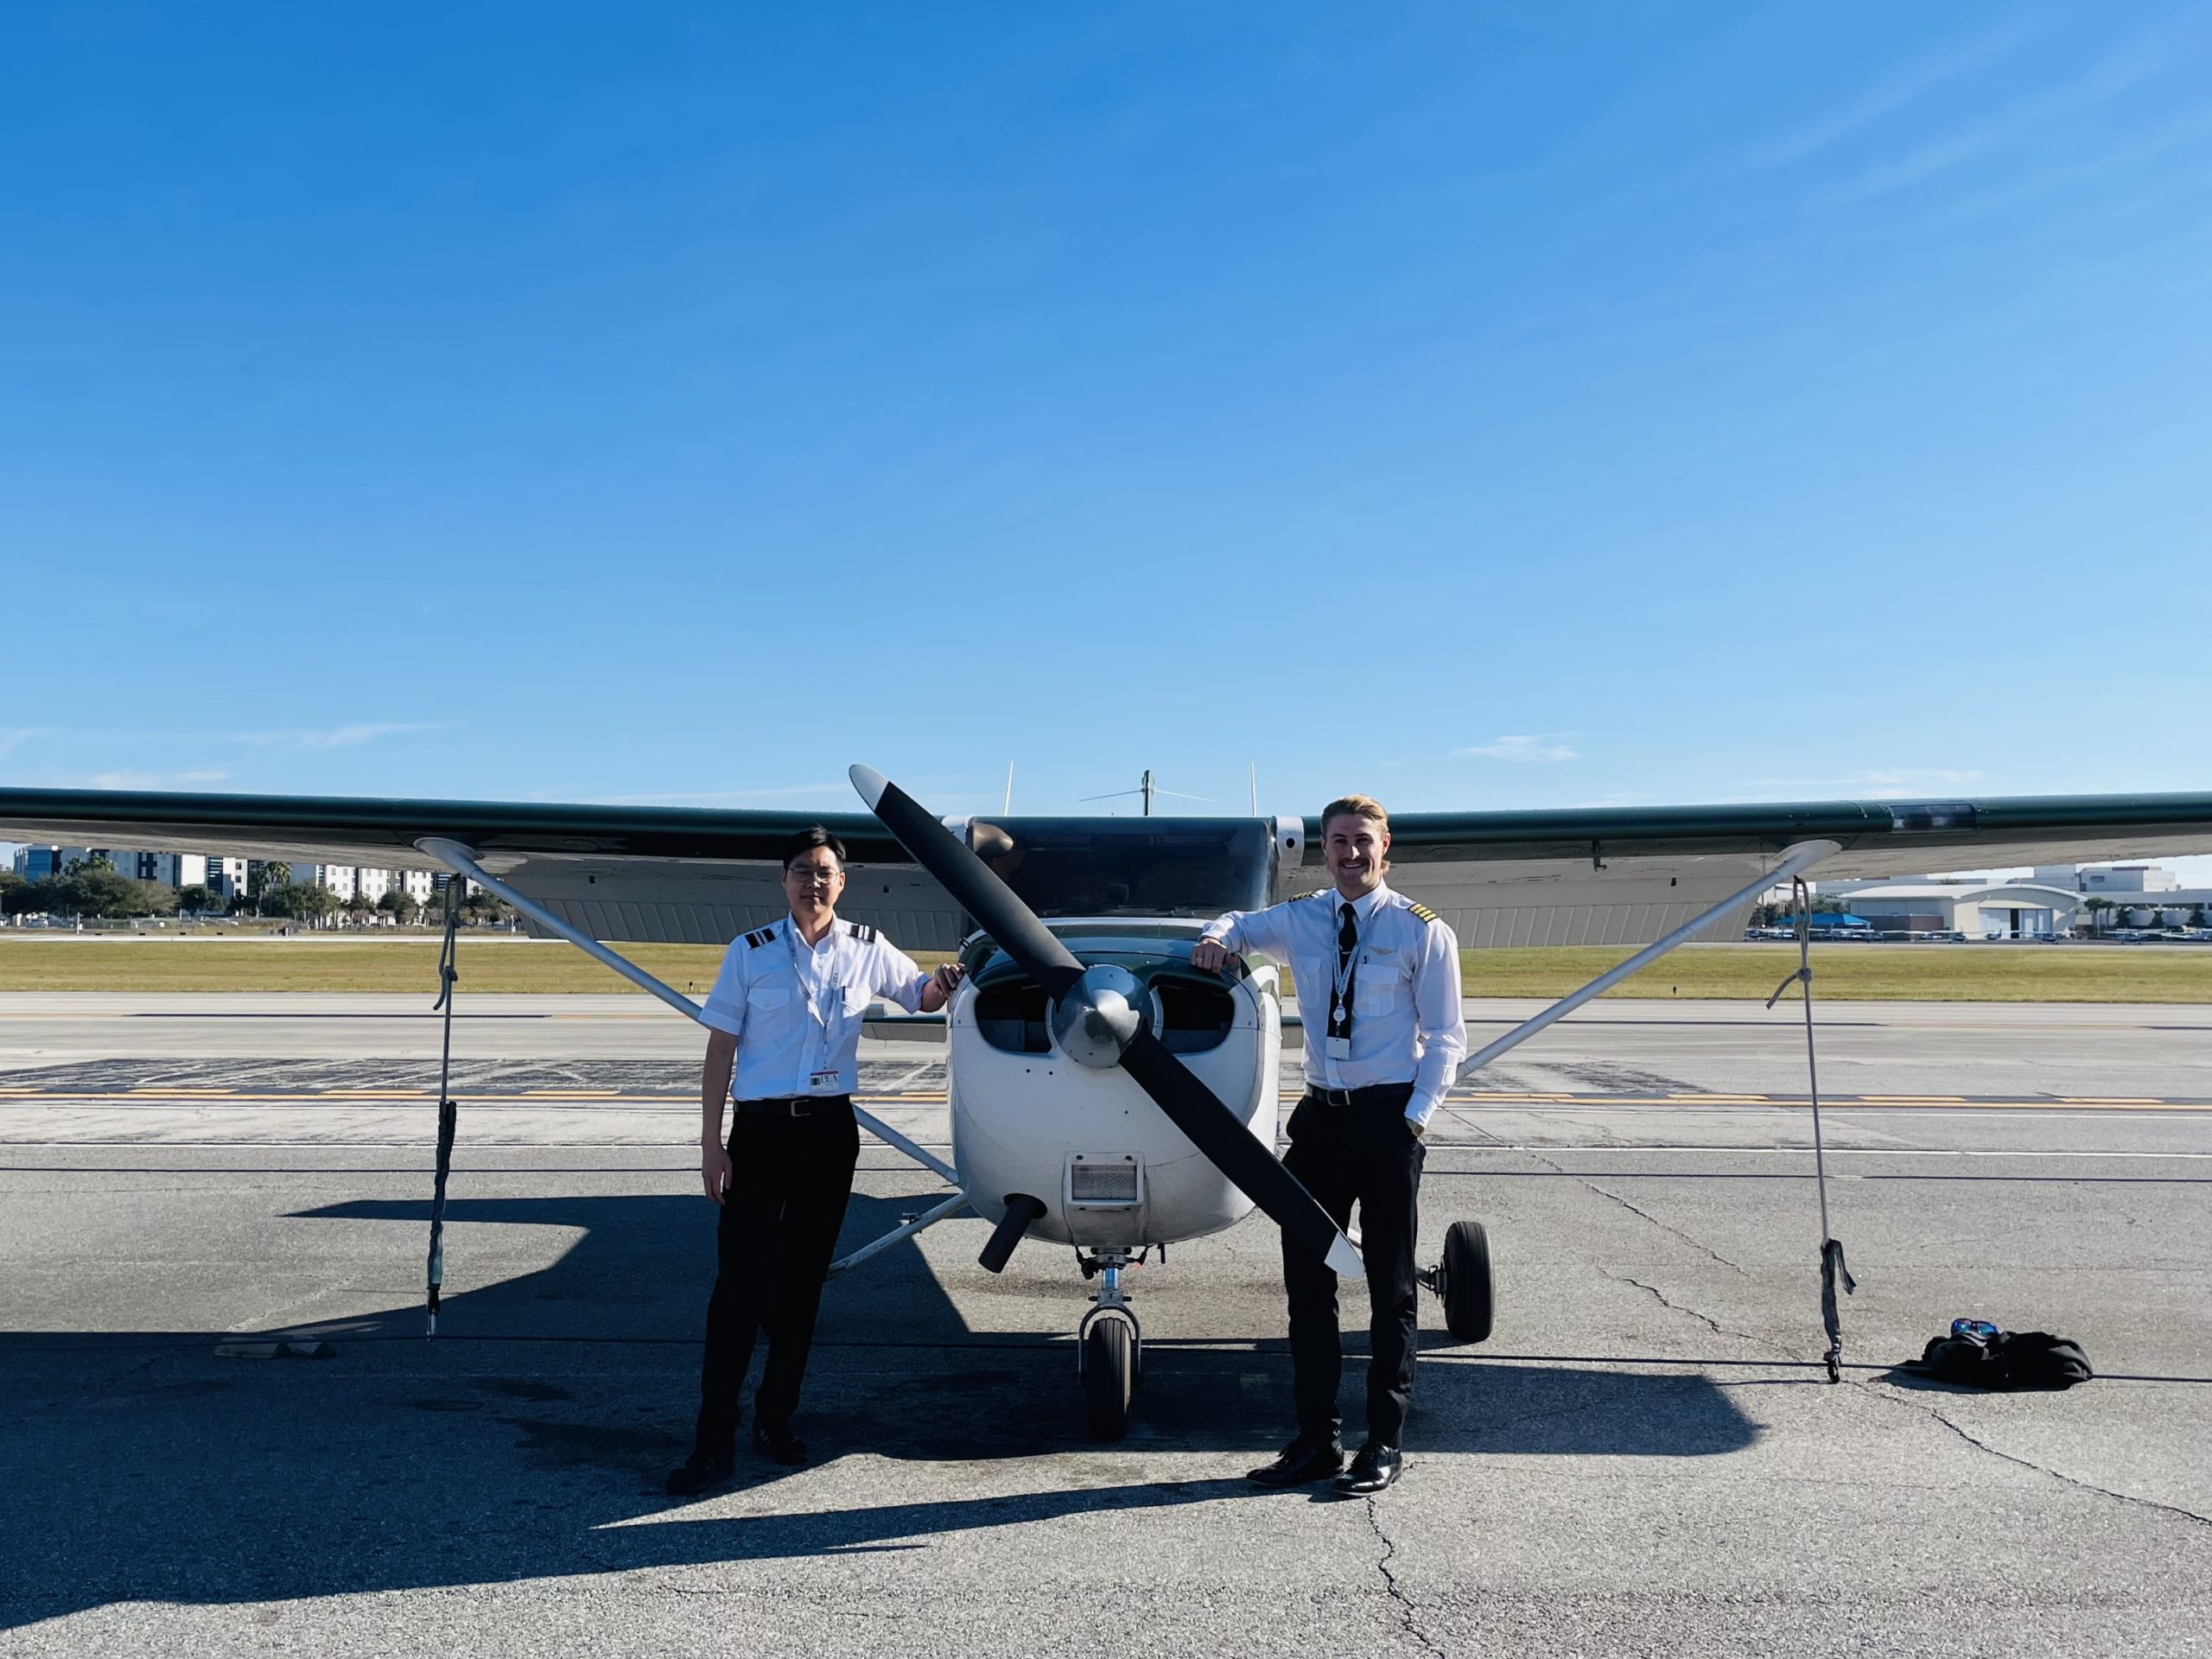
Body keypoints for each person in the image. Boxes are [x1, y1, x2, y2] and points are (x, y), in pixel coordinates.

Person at [664, 826, 963, 1497]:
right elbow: (720, 1052)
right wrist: (712, 1144)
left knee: (801, 1286)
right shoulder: (750, 953)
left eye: (825, 871)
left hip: (830, 1134)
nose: (814, 882)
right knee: (738, 1288)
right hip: (761, 1135)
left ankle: (775, 1421)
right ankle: (711, 1444)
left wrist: (945, 982)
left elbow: (919, 995)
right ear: (783, 880)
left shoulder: (867, 949)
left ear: (842, 882)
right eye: (802, 870)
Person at [1192, 794, 1465, 1496]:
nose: (1350, 854)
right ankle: (1316, 1441)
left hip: (1387, 1123)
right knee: (1308, 1290)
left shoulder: (1422, 932)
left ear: (1385, 847)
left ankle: (1384, 1440)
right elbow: (1238, 924)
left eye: (1362, 842)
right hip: (1318, 1123)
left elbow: (1447, 1040)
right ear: (1325, 849)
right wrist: (1218, 939)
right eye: (1338, 841)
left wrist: (1414, 1119)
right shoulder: (1302, 918)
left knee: (1391, 1288)